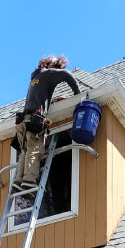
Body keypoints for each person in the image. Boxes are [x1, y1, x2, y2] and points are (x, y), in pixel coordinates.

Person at [13, 54, 81, 193]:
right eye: (56, 67)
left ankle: (18, 180)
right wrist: (77, 94)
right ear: (51, 66)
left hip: (22, 121)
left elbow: (38, 99)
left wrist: (53, 100)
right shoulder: (49, 73)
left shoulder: (35, 79)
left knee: (25, 151)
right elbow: (67, 74)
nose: (56, 71)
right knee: (35, 150)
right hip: (34, 120)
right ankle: (28, 181)